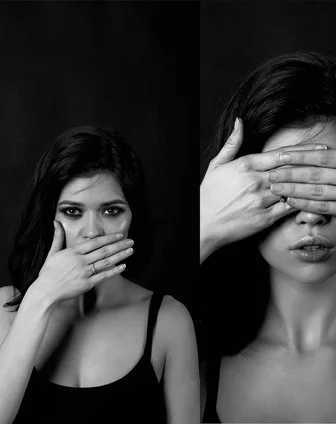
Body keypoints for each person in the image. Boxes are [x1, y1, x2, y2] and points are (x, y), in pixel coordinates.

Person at [199, 51, 336, 422]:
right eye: (285, 181)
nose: (312, 214)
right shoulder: (191, 348)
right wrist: (205, 224)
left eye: (333, 182)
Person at [0, 126, 200, 424]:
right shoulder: (5, 309)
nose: (92, 232)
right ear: (48, 217)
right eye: (72, 212)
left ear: (133, 217)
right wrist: (41, 297)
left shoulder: (169, 321)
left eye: (111, 211)